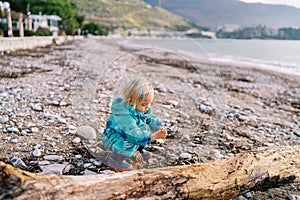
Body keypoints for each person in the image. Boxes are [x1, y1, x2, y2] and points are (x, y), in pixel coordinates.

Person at [102, 78, 167, 171]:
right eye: (144, 104)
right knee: (131, 140)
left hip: (132, 135)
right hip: (113, 138)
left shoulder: (139, 108)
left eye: (149, 104)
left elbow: (150, 117)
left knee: (145, 128)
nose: (147, 107)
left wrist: (158, 127)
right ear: (130, 101)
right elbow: (133, 135)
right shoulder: (124, 117)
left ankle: (137, 150)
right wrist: (152, 137)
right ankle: (116, 158)